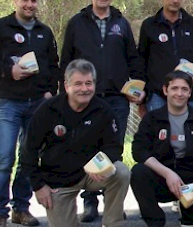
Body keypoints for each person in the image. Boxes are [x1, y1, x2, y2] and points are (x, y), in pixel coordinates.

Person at [59, 0, 145, 221]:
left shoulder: (122, 23)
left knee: (113, 151)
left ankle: (112, 204)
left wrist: (138, 87)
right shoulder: (77, 23)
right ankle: (89, 203)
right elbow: (66, 60)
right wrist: (63, 93)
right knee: (87, 149)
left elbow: (133, 59)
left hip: (116, 99)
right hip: (85, 99)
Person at [0, 0, 60, 227]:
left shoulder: (45, 32)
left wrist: (49, 92)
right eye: (25, 0)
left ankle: (21, 209)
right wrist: (8, 70)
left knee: (28, 157)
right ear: (16, 1)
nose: (29, 5)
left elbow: (54, 66)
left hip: (37, 104)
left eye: (33, 1)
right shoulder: (0, 27)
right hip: (7, 103)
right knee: (3, 159)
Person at [19, 59, 130, 227]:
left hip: (92, 173)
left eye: (88, 83)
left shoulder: (104, 110)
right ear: (66, 85)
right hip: (59, 180)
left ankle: (113, 223)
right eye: (78, 84)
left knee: (121, 171)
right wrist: (38, 186)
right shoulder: (48, 111)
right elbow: (28, 152)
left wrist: (102, 162)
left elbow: (114, 146)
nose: (84, 89)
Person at [130, 71, 193, 227]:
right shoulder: (152, 118)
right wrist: (168, 173)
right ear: (166, 90)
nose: (179, 93)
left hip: (190, 179)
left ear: (190, 93)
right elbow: (139, 151)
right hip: (162, 177)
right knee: (138, 172)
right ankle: (155, 222)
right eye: (174, 88)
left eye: (184, 89)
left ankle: (187, 213)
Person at [139, 0, 193, 112]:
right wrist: (143, 99)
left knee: (189, 132)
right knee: (157, 133)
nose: (175, 0)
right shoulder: (149, 25)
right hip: (157, 97)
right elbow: (141, 61)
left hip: (189, 96)